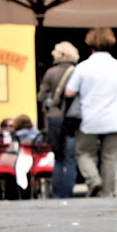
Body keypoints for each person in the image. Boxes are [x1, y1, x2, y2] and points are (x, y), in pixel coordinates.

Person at [65, 27, 117, 198]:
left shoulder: (83, 67)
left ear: (90, 44)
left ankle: (93, 179)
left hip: (89, 119)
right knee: (110, 157)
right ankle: (108, 193)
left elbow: (69, 92)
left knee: (84, 153)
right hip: (113, 119)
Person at [38, 41, 80, 198]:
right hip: (72, 118)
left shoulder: (50, 72)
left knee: (58, 158)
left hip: (54, 117)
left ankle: (56, 194)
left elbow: (41, 96)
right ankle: (68, 193)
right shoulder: (78, 72)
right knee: (70, 158)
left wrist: (50, 103)